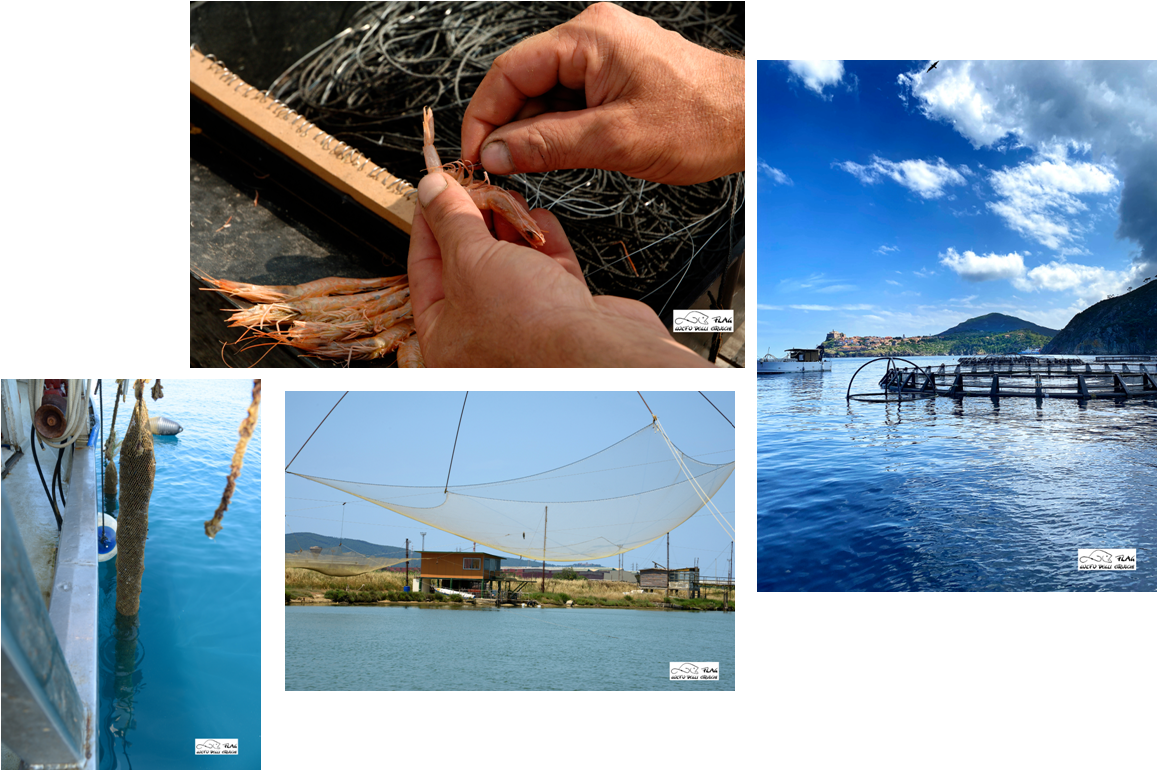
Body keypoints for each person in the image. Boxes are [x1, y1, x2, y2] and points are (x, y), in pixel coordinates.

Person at [407, 2, 744, 367]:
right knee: (683, 311)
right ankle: (720, 327)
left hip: (643, 324)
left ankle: (720, 326)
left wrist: (560, 340)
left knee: (694, 309)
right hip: (646, 326)